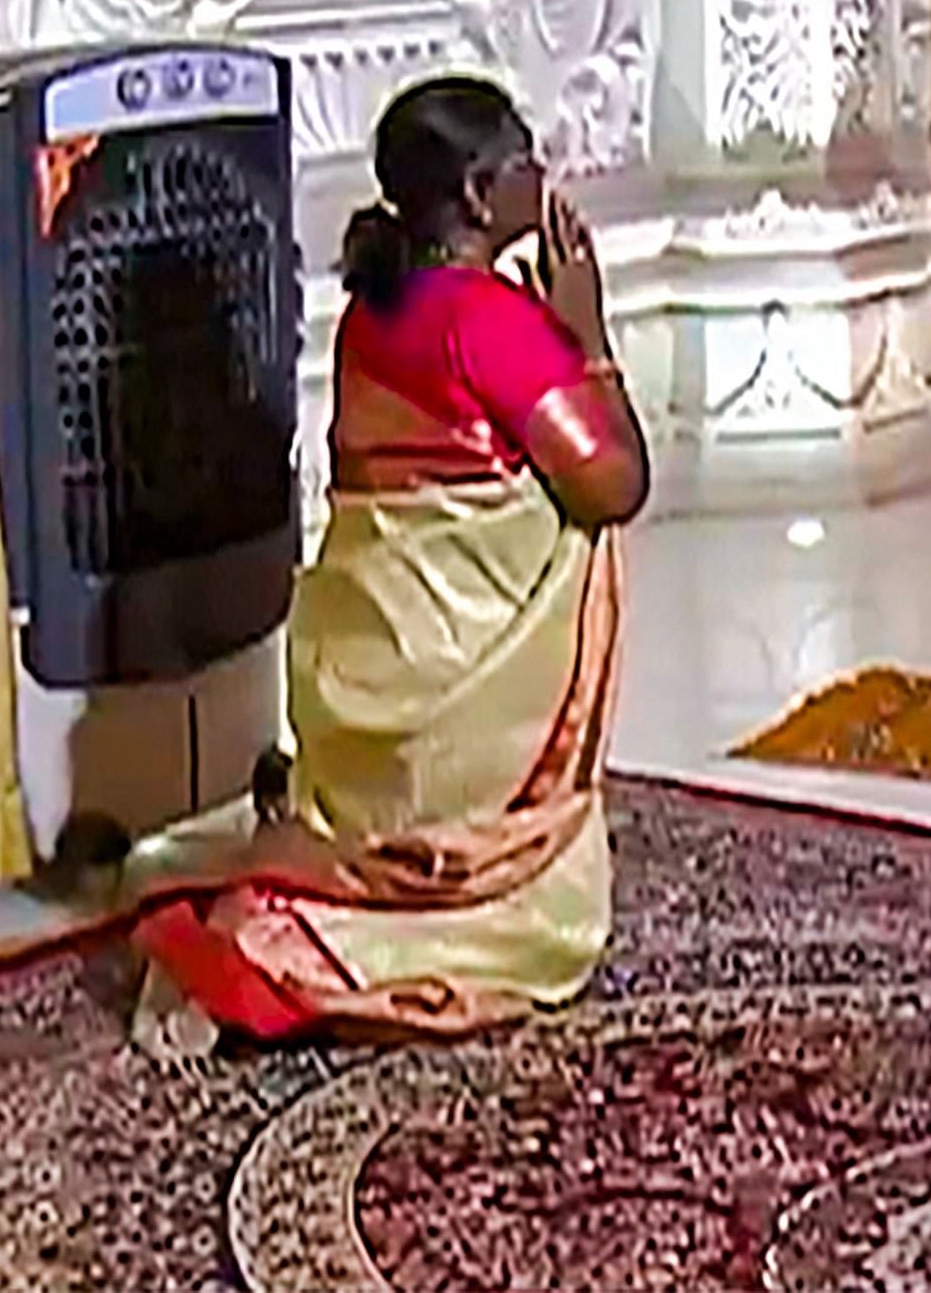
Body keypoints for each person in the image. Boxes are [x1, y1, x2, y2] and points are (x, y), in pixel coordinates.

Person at [132, 76, 650, 1048]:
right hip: (461, 698)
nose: (542, 176)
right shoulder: (496, 324)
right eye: (524, 161)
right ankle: (325, 939)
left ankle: (285, 909)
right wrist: (591, 339)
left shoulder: (374, 309)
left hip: (365, 662)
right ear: (476, 193)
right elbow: (617, 485)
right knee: (586, 534)